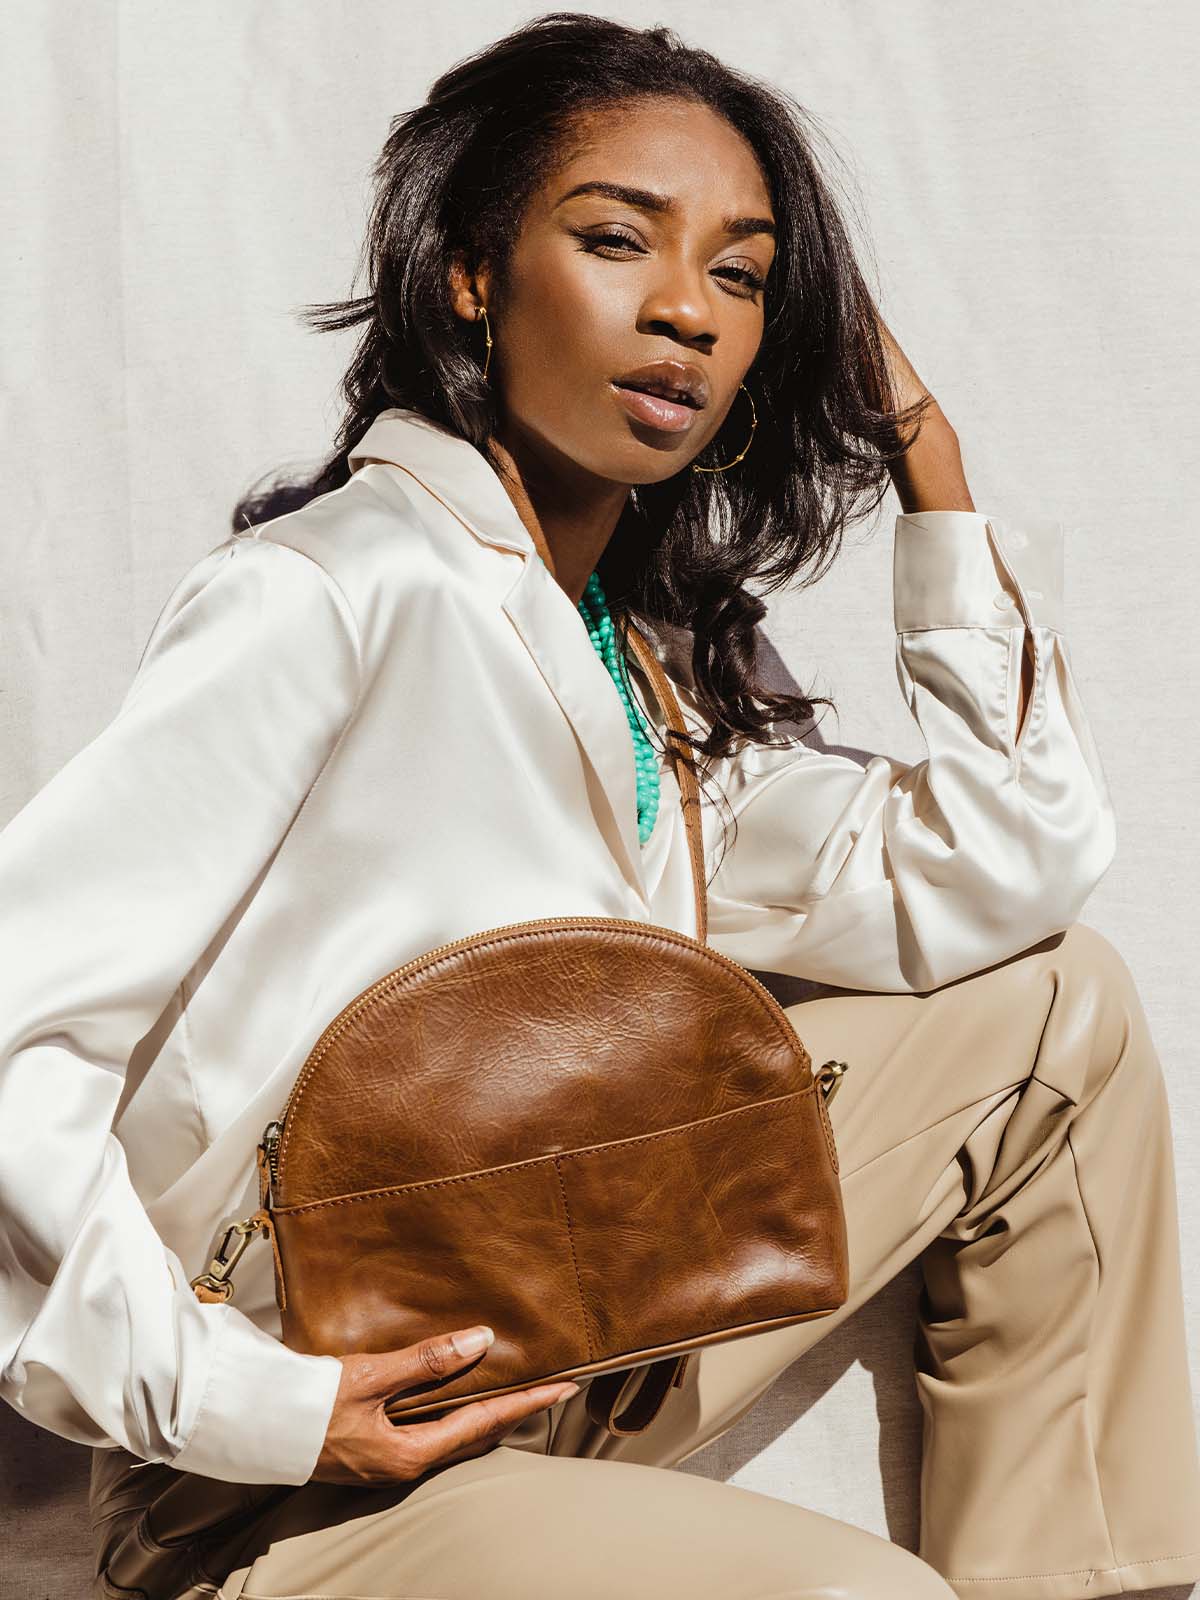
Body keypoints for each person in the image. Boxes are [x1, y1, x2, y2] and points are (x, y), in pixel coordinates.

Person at [2, 12, 1198, 1600]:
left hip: (582, 1344)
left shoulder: (645, 672)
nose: (684, 313)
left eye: (743, 274)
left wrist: (927, 455)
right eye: (618, 239)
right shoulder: (332, 593)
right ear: (472, 274)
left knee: (1064, 1008)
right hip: (294, 1489)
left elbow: (1013, 866)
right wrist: (257, 1403)